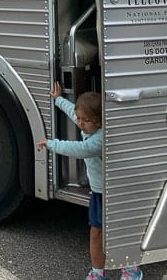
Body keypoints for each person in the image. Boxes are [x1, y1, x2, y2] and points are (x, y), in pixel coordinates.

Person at [37, 82, 143, 280]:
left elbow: (79, 149)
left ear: (100, 121)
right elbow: (73, 112)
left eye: (87, 120)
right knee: (96, 232)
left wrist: (52, 144)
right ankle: (97, 272)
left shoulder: (100, 139)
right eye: (80, 118)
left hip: (113, 192)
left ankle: (131, 269)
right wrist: (58, 99)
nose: (80, 123)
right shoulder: (87, 124)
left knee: (121, 231)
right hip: (98, 192)